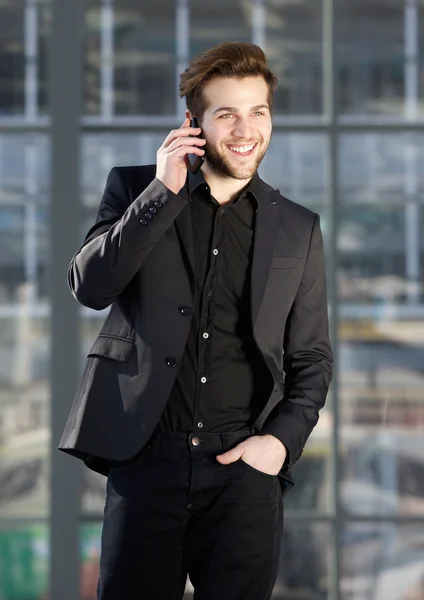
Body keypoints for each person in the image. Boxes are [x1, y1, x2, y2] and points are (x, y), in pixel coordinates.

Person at [59, 41, 333, 600]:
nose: (245, 128)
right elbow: (90, 286)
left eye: (258, 111)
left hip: (245, 469)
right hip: (146, 460)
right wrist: (163, 191)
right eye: (226, 113)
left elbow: (311, 357)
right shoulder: (138, 190)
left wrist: (278, 445)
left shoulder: (298, 228)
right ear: (194, 123)